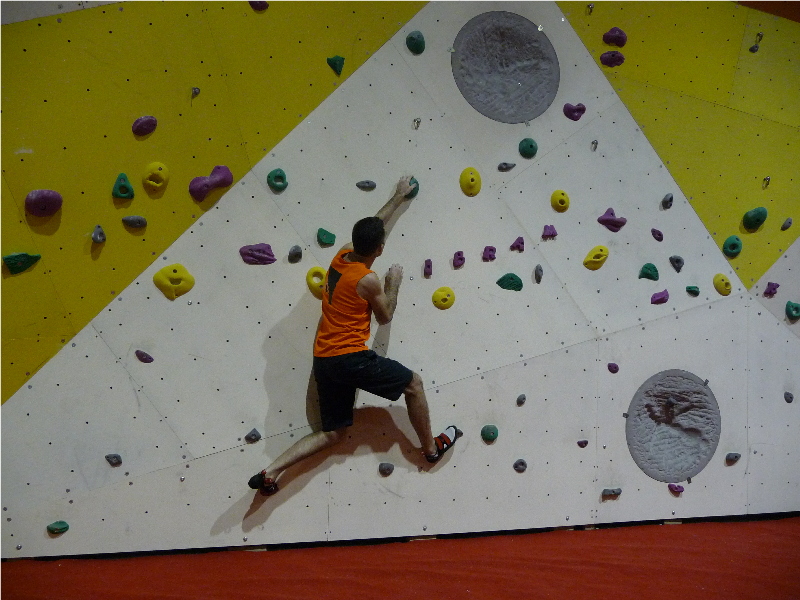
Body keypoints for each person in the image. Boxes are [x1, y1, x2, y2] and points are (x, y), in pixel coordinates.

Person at [249, 176, 461, 496]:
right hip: (349, 358)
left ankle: (270, 472)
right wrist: (394, 282)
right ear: (380, 249)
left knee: (332, 433)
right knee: (414, 385)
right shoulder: (368, 280)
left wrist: (397, 197)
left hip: (324, 359)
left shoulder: (342, 254)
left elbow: (375, 223)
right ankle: (431, 450)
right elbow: (384, 316)